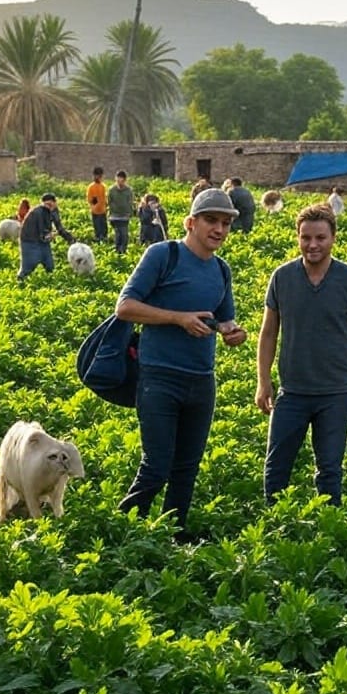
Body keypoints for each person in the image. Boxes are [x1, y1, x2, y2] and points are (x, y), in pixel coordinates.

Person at [115, 188, 247, 542]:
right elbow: (125, 307)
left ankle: (173, 535)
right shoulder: (163, 255)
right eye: (211, 221)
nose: (218, 229)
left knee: (186, 468)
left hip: (202, 380)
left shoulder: (221, 270)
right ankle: (124, 532)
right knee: (157, 466)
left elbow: (225, 320)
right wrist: (178, 318)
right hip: (159, 376)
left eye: (225, 223)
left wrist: (233, 333)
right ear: (191, 223)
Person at [256, 204, 347, 507]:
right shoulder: (282, 277)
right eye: (306, 237)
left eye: (320, 237)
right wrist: (263, 380)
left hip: (335, 393)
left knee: (330, 472)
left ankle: (328, 530)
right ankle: (276, 526)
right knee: (276, 469)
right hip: (292, 391)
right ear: (298, 237)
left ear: (333, 237)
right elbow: (268, 332)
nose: (312, 244)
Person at [17, 193, 76, 281]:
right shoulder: (38, 212)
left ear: (54, 203)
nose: (49, 206)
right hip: (29, 241)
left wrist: (71, 239)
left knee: (49, 265)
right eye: (47, 204)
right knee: (28, 266)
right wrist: (51, 235)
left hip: (43, 242)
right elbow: (43, 234)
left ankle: (51, 283)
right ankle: (20, 281)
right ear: (43, 204)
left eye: (51, 204)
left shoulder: (54, 211)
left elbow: (59, 227)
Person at [107, 170, 135, 255]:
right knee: (118, 235)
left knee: (124, 235)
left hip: (124, 216)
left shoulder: (128, 190)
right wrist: (110, 213)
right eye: (118, 180)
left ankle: (123, 251)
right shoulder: (112, 190)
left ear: (125, 180)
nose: (120, 183)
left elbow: (130, 202)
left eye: (122, 181)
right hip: (114, 216)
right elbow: (109, 202)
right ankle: (117, 251)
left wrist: (130, 213)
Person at [86, 167, 108, 242]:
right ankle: (98, 240)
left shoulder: (103, 186)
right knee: (97, 229)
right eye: (97, 176)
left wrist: (105, 206)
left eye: (100, 176)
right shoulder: (91, 187)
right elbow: (90, 200)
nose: (99, 177)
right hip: (95, 212)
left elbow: (105, 199)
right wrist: (95, 206)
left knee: (104, 228)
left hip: (103, 211)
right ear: (94, 176)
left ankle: (104, 240)